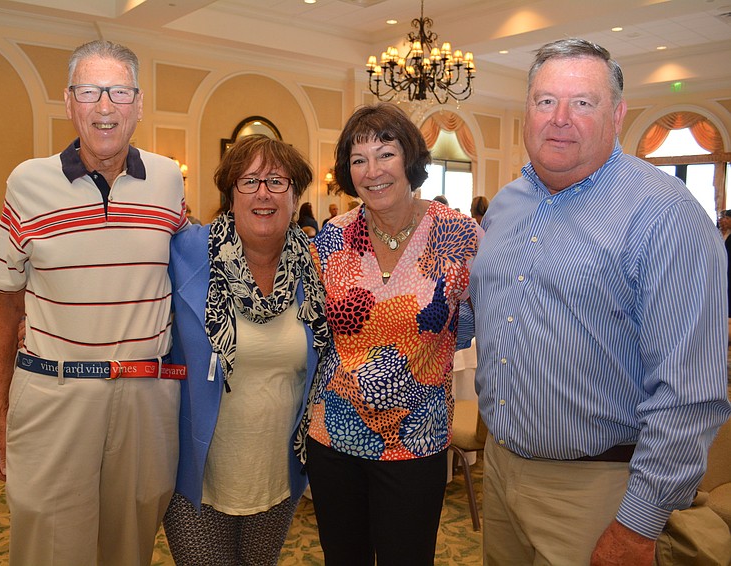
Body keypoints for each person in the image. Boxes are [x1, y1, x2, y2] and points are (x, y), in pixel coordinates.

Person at [469, 38, 731, 565]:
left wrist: (637, 525)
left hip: (598, 491)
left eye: (582, 103)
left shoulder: (662, 215)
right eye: (546, 101)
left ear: (617, 114)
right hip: (499, 471)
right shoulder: (507, 204)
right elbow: (483, 312)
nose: (560, 118)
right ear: (527, 110)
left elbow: (689, 393)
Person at [0, 39, 186, 565]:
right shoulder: (28, 183)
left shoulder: (166, 180)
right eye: (89, 92)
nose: (104, 106)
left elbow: (188, 272)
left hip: (145, 397)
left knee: (130, 544)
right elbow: (4, 300)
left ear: (139, 104)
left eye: (118, 92)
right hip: (55, 390)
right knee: (48, 543)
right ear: (70, 104)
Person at [306, 102, 481, 565]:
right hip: (334, 438)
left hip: (416, 442)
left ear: (409, 158)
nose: (372, 170)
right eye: (358, 159)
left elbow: (484, 318)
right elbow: (314, 330)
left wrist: (434, 352)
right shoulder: (332, 238)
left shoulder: (460, 235)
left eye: (385, 154)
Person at [162, 134, 330, 565]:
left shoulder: (316, 267)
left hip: (277, 473)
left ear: (295, 197)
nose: (263, 193)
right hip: (196, 474)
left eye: (277, 181)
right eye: (249, 180)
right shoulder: (184, 253)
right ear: (229, 193)